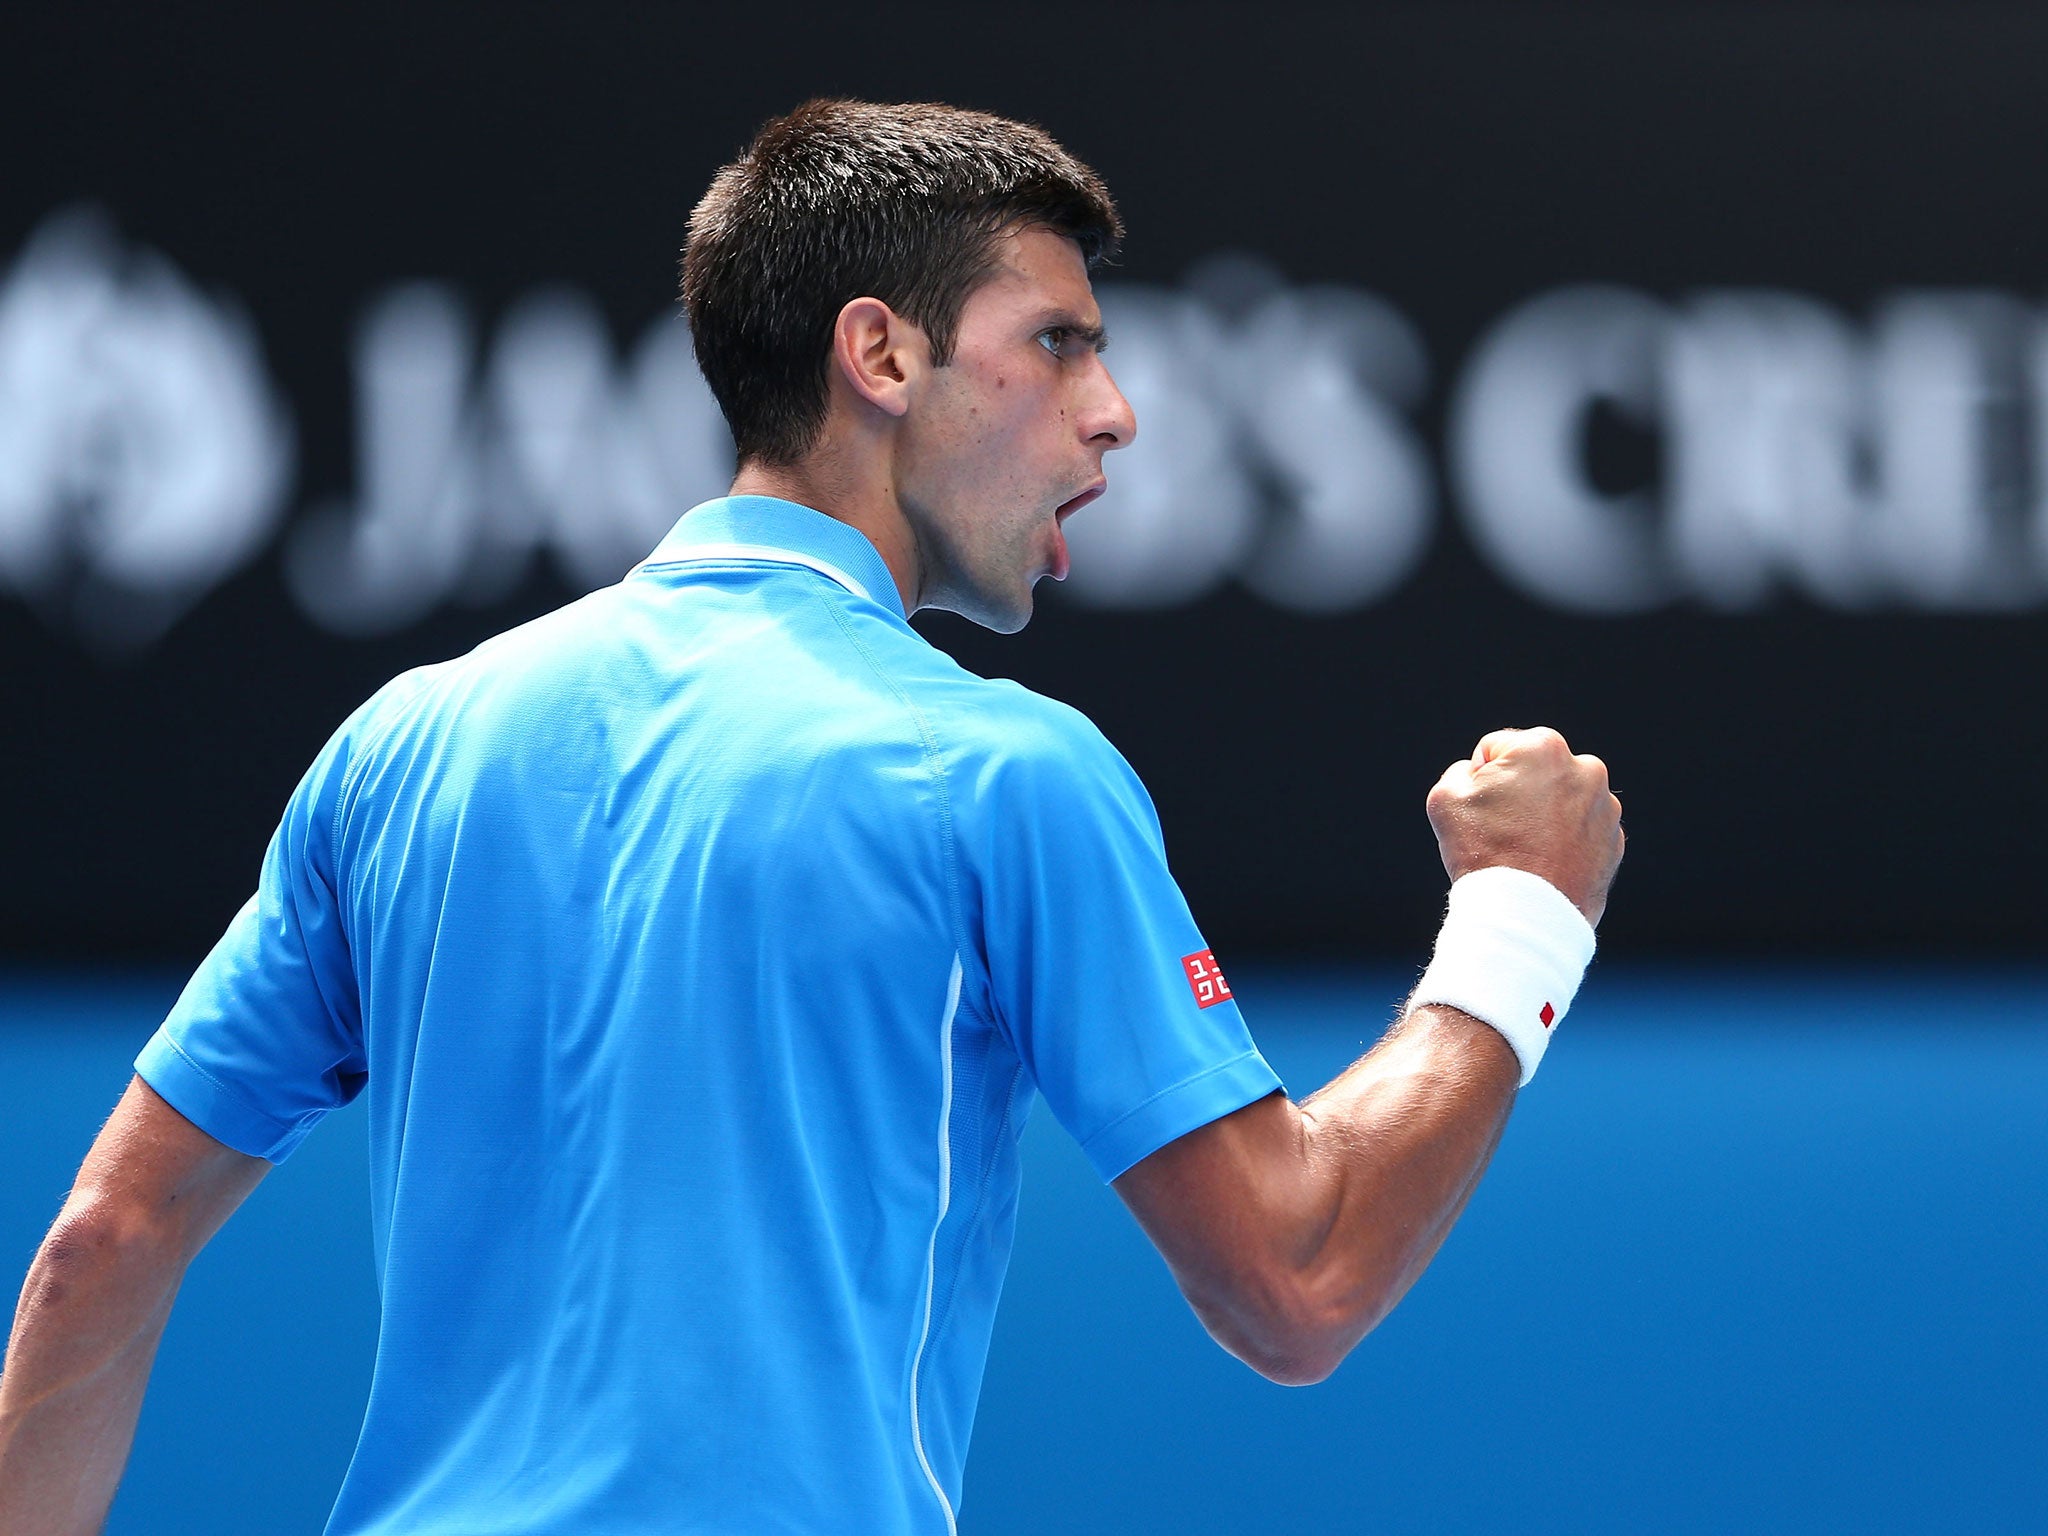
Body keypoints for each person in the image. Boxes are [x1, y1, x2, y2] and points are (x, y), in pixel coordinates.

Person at [0, 99, 1624, 1535]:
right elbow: (1298, 1280)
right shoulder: (1004, 773)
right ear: (883, 355)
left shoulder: (400, 747)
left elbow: (100, 1246)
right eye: (1059, 341)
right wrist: (1521, 918)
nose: (1114, 409)